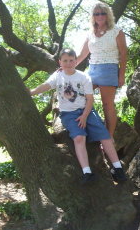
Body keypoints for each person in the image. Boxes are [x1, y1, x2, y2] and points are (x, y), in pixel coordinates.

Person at [30, 49, 127, 185]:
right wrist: (31, 92)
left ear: (76, 61)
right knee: (79, 138)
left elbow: (90, 99)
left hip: (86, 110)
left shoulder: (83, 77)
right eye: (65, 61)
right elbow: (46, 86)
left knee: (105, 137)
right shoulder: (57, 76)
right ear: (60, 62)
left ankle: (118, 168)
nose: (68, 63)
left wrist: (85, 116)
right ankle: (87, 172)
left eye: (71, 60)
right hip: (69, 114)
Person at [77, 2, 127, 139]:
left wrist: (121, 76)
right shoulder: (90, 34)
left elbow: (123, 54)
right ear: (93, 16)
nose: (100, 16)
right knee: (81, 97)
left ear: (108, 15)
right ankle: (85, 129)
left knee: (107, 104)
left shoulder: (117, 31)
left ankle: (108, 137)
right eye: (96, 13)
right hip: (92, 70)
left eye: (103, 13)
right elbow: (81, 55)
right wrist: (65, 67)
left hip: (109, 69)